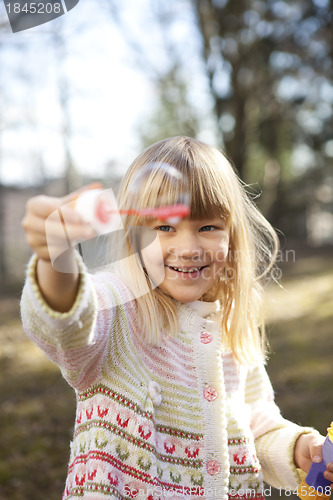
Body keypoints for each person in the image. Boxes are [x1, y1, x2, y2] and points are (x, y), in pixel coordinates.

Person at [20, 136, 333, 499]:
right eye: (165, 227)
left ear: (233, 235)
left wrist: (298, 448)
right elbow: (66, 323)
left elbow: (255, 425)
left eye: (207, 227)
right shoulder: (117, 305)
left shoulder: (227, 331)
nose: (188, 249)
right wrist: (53, 258)